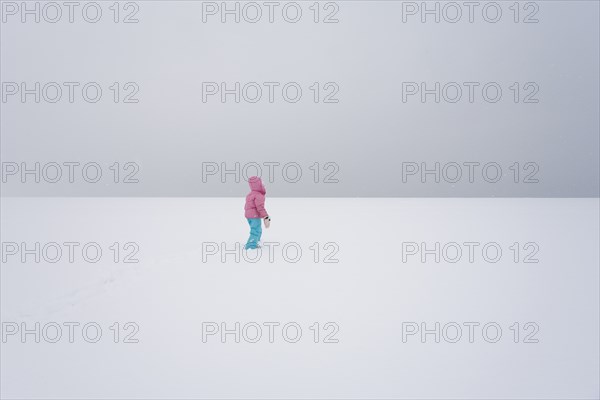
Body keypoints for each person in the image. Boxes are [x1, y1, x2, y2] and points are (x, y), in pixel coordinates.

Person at [244, 176, 271, 249]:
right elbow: (260, 207)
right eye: (262, 184)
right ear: (259, 185)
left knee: (257, 229)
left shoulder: (250, 194)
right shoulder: (259, 195)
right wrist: (266, 216)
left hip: (249, 216)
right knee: (255, 230)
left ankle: (256, 241)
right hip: (254, 216)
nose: (264, 185)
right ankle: (251, 245)